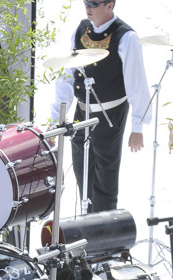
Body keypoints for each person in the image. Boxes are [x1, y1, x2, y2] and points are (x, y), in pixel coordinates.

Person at [50, 0, 150, 213]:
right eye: (86, 2)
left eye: (94, 3)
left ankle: (105, 229)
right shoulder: (80, 30)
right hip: (82, 112)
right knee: (82, 173)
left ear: (109, 5)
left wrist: (137, 127)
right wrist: (56, 118)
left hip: (110, 114)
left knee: (105, 180)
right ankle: (87, 224)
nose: (88, 7)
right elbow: (67, 77)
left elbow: (137, 84)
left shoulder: (126, 37)